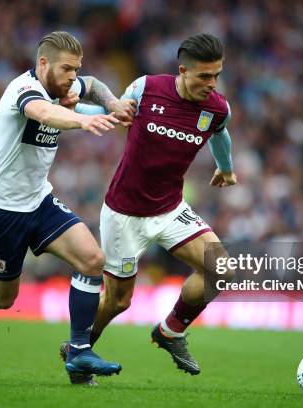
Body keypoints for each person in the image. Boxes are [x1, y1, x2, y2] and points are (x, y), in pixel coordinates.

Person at [0, 31, 137, 385]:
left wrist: (112, 103)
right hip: (1, 211)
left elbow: (93, 85)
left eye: (75, 69)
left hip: (38, 200)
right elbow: (43, 113)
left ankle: (79, 351)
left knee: (92, 260)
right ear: (43, 64)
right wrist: (83, 120)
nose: (72, 77)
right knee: (1, 297)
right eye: (67, 69)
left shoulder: (61, 87)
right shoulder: (23, 91)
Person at [60, 33, 237, 378]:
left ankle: (171, 331)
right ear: (183, 70)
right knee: (117, 301)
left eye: (216, 75)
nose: (211, 83)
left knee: (221, 269)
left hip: (170, 209)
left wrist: (226, 168)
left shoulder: (216, 108)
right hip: (124, 213)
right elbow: (109, 109)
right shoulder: (148, 88)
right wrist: (73, 108)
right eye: (204, 76)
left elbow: (221, 133)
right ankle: (79, 348)